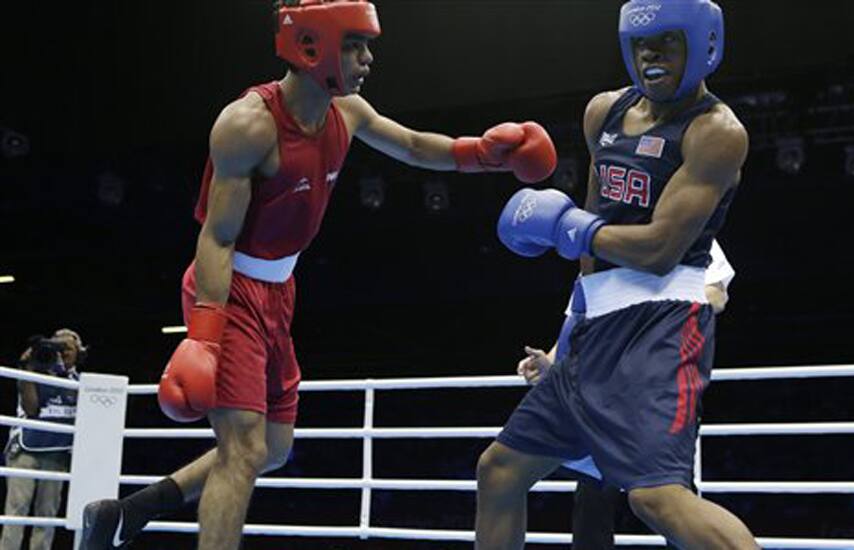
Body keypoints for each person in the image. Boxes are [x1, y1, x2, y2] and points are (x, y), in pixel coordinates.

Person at [79, 1, 556, 549]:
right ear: (313, 47)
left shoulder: (345, 111)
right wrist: (204, 338)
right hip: (228, 289)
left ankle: (132, 511)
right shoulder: (248, 126)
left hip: (280, 290)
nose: (368, 59)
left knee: (275, 446)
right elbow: (217, 236)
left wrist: (482, 155)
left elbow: (413, 145)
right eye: (355, 45)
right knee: (243, 451)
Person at [475, 0, 760, 548]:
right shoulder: (602, 113)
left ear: (703, 43)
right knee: (499, 471)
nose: (650, 55)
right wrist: (566, 338)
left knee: (657, 498)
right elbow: (593, 243)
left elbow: (658, 248)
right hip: (593, 332)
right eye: (640, 44)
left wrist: (566, 229)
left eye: (667, 42)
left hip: (659, 326)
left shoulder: (715, 132)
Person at [517, 241, 736, 549]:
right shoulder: (602, 242)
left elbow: (717, 294)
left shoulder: (689, 227)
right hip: (601, 392)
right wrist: (549, 361)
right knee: (591, 499)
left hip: (662, 386)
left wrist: (647, 313)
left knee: (672, 499)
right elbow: (580, 318)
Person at [2, 330, 85, 550]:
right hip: (26, 451)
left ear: (79, 353)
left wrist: (65, 375)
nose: (63, 351)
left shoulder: (82, 384)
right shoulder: (35, 374)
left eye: (69, 347)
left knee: (47, 515)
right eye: (59, 347)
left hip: (57, 454)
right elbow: (31, 409)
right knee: (16, 510)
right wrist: (27, 368)